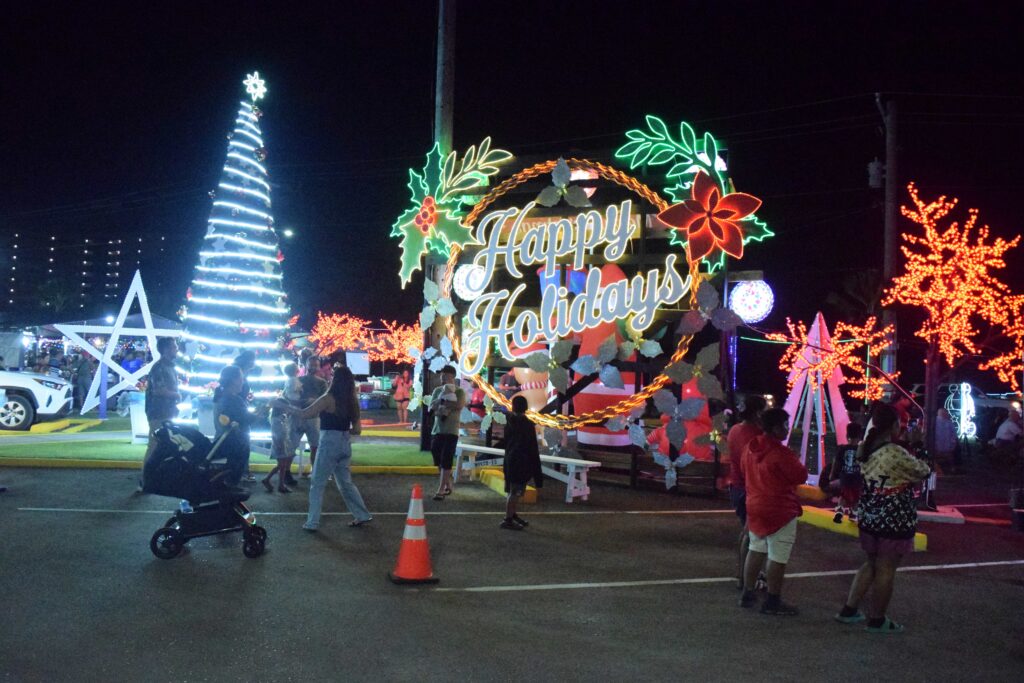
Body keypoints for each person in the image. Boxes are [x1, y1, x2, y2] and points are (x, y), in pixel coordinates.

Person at [836, 403, 931, 634]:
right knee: (887, 567)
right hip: (893, 519)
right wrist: (917, 445)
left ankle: (850, 609)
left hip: (869, 516)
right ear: (894, 425)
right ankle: (877, 619)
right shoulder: (895, 452)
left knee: (871, 563)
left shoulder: (864, 449)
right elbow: (924, 470)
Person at [739, 408, 808, 616]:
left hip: (755, 505)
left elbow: (744, 471)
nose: (788, 429)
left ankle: (747, 592)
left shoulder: (750, 449)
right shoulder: (781, 453)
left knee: (756, 548)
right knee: (778, 555)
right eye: (785, 425)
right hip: (779, 509)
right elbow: (800, 475)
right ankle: (772, 600)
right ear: (776, 427)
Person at [294, 365, 372, 531]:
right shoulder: (352, 401)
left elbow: (305, 414)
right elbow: (357, 430)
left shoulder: (328, 398)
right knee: (345, 483)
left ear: (335, 380)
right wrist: (343, 431)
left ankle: (312, 522)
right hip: (344, 441)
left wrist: (282, 406)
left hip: (329, 440)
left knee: (317, 483)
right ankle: (362, 514)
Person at [727, 395, 767, 590]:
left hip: (736, 486)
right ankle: (746, 578)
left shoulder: (735, 430)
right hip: (751, 489)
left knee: (747, 532)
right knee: (751, 535)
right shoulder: (757, 435)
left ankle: (743, 573)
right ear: (758, 412)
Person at [139, 338, 181, 489]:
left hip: (168, 411)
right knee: (155, 445)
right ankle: (145, 480)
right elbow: (159, 390)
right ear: (166, 349)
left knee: (164, 446)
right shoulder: (160, 368)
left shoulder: (170, 367)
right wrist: (176, 395)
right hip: (159, 412)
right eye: (174, 346)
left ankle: (156, 478)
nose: (177, 348)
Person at [501, 395, 542, 530]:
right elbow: (532, 447)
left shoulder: (509, 422)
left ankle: (512, 515)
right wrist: (537, 474)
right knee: (515, 492)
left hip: (510, 458)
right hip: (521, 460)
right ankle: (508, 519)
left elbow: (506, 442)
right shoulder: (527, 424)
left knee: (511, 490)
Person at [428, 365, 465, 501]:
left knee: (446, 458)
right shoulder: (437, 391)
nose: (442, 378)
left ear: (452, 376)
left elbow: (459, 405)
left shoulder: (460, 391)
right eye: (441, 375)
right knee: (437, 456)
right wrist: (441, 402)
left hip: (451, 430)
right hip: (437, 429)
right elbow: (432, 407)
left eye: (445, 375)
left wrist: (442, 404)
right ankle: (447, 482)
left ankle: (441, 489)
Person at [213, 364, 253, 486]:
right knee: (232, 478)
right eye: (241, 378)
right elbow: (244, 419)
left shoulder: (222, 397)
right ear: (234, 380)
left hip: (225, 441)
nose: (243, 381)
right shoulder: (232, 400)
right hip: (235, 444)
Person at [263, 363, 301, 493]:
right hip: (280, 443)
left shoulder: (279, 419)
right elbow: (279, 435)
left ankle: (274, 482)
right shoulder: (278, 421)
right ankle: (277, 483)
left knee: (282, 464)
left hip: (282, 442)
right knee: (282, 464)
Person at [294, 355, 327, 477]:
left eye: (316, 365)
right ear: (306, 365)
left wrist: (313, 401)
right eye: (312, 364)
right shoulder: (298, 380)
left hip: (314, 418)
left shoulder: (322, 383)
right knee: (292, 446)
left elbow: (325, 400)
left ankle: (315, 472)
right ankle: (286, 473)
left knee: (315, 446)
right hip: (298, 417)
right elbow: (293, 398)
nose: (313, 367)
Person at [828, 422, 864, 523]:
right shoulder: (861, 449)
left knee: (843, 495)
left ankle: (839, 510)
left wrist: (832, 473)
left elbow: (836, 461)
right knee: (857, 497)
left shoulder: (842, 448)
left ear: (847, 435)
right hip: (857, 478)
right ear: (860, 435)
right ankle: (853, 513)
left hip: (845, 477)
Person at [231, 351, 256, 480]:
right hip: (238, 410)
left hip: (242, 406)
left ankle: (243, 470)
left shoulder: (242, 373)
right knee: (242, 442)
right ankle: (242, 471)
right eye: (253, 360)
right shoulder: (239, 372)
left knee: (244, 442)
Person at [933, 408, 958, 474]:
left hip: (946, 445)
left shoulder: (948, 422)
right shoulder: (935, 421)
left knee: (949, 457)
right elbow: (954, 434)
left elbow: (953, 434)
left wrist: (953, 442)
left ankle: (951, 468)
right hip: (939, 445)